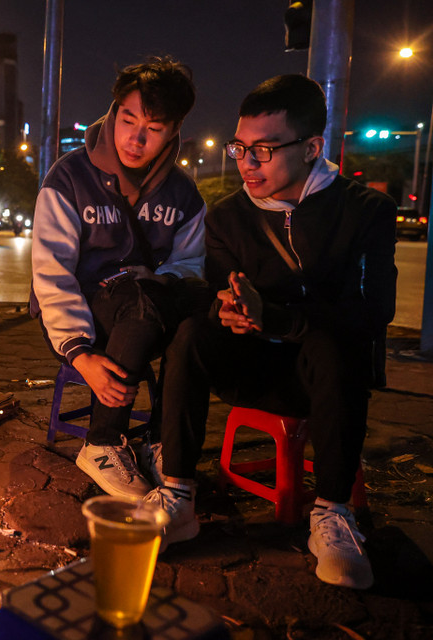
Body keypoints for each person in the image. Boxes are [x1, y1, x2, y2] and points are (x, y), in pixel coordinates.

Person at [152, 75, 396, 590]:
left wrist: (282, 319)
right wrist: (230, 313)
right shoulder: (227, 218)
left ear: (312, 148)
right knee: (192, 333)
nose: (247, 163)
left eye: (263, 149)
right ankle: (177, 494)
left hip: (327, 380)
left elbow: (374, 312)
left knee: (334, 344)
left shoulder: (364, 211)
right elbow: (222, 291)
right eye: (240, 147)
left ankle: (331, 512)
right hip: (253, 367)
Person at [31, 56, 210, 498]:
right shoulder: (70, 178)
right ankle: (104, 441)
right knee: (139, 299)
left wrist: (158, 280)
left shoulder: (184, 193)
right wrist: (81, 355)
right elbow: (51, 274)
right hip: (81, 311)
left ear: (173, 132)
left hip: (148, 305)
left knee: (193, 321)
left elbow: (190, 265)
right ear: (113, 112)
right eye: (127, 118)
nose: (135, 137)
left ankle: (162, 444)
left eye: (154, 127)